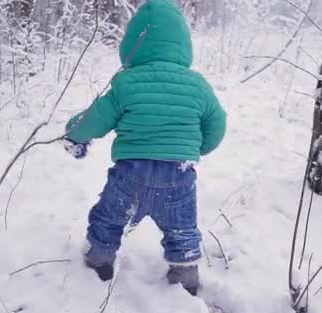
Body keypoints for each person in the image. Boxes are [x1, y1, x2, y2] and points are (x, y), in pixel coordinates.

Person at [63, 0, 226, 296]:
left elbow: (95, 118)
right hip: (179, 176)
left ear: (132, 44)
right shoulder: (198, 85)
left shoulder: (126, 83)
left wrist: (74, 133)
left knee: (109, 217)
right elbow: (217, 125)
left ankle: (100, 256)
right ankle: (185, 273)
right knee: (182, 229)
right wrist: (195, 147)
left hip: (130, 177)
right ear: (183, 44)